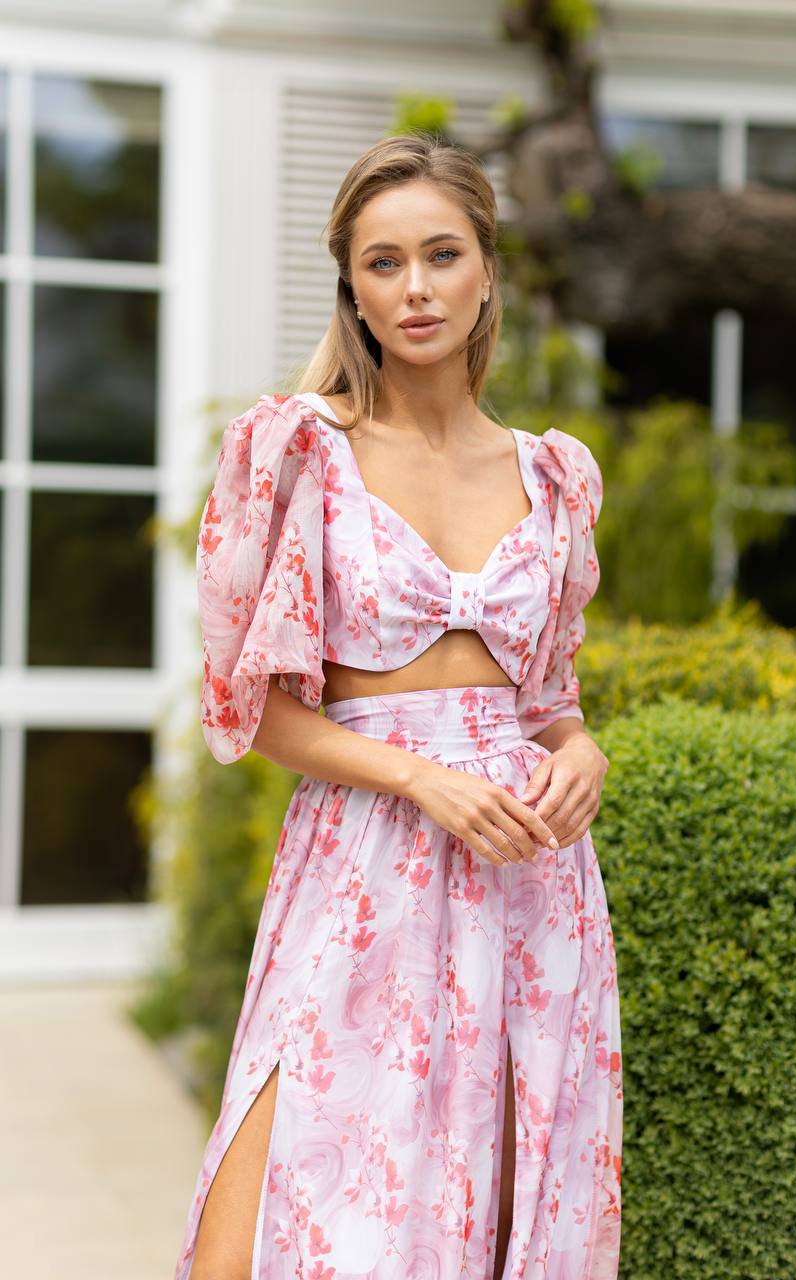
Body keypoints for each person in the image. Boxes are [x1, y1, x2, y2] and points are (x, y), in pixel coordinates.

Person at [175, 132, 622, 1280]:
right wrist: (417, 776)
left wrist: (581, 750)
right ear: (353, 288)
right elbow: (253, 712)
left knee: (495, 1221)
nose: (415, 288)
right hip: (363, 864)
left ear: (486, 271)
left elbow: (549, 696)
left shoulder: (555, 473)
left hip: (530, 880)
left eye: (440, 254)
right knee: (260, 1231)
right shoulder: (297, 452)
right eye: (383, 263)